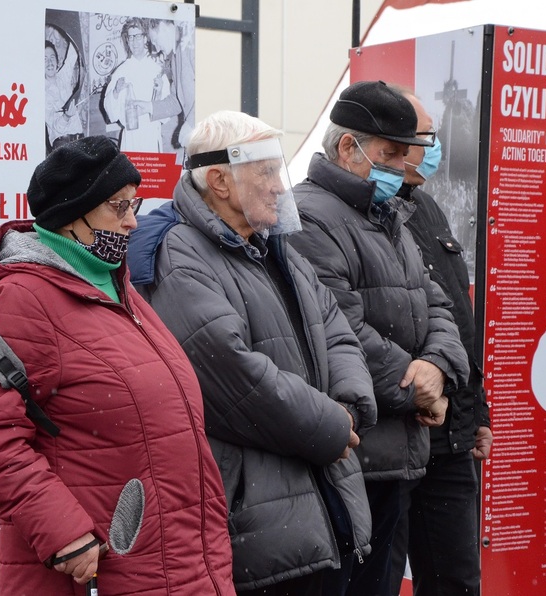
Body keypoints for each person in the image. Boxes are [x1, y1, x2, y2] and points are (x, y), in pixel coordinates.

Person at [0, 135, 235, 595]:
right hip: (103, 567)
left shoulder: (114, 284)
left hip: (175, 561)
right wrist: (64, 534)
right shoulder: (21, 299)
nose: (132, 221)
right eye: (117, 206)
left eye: (134, 204)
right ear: (72, 215)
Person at [128, 110, 377, 595]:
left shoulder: (272, 247)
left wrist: (348, 406)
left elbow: (337, 332)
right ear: (219, 181)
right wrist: (330, 425)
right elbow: (232, 377)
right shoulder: (180, 254)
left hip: (324, 509)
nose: (281, 187)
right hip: (262, 526)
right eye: (266, 172)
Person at [287, 81, 470, 596]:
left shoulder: (386, 212)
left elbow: (438, 303)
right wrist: (418, 388)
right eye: (389, 155)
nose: (401, 166)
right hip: (356, 455)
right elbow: (338, 330)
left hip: (399, 451)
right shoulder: (309, 217)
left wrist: (438, 367)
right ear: (349, 147)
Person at [387, 88, 493, 596]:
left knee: (456, 582)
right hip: (396, 432)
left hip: (451, 439)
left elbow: (457, 316)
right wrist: (422, 390)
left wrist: (477, 411)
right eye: (424, 138)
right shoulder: (352, 215)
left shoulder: (427, 207)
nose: (433, 148)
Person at [102, 18, 169, 152]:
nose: (134, 41)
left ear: (145, 39)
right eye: (130, 37)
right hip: (130, 137)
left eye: (137, 36)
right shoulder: (120, 71)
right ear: (127, 41)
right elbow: (111, 113)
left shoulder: (157, 69)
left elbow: (167, 108)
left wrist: (160, 91)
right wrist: (115, 92)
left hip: (151, 135)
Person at [132, 18, 195, 156]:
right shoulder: (175, 57)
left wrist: (191, 123)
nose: (156, 48)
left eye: (155, 40)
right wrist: (149, 107)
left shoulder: (192, 42)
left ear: (162, 26)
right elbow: (176, 100)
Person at [44, 38, 83, 148]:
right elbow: (54, 126)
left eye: (52, 58)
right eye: (45, 59)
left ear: (57, 61)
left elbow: (73, 53)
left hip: (79, 139)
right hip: (61, 144)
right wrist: (66, 116)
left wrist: (72, 31)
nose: (50, 62)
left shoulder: (63, 76)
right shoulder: (40, 93)